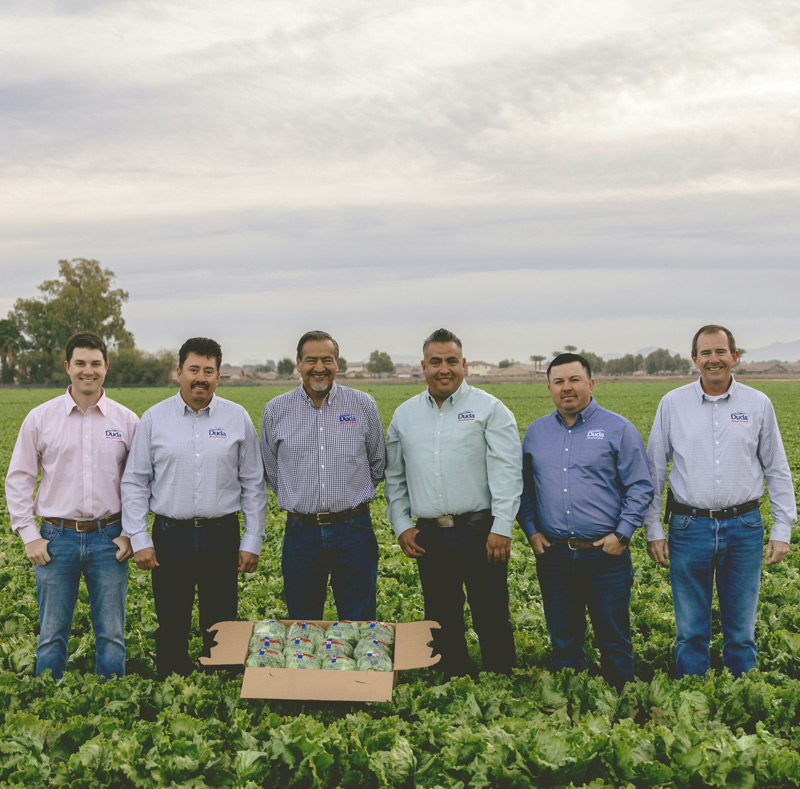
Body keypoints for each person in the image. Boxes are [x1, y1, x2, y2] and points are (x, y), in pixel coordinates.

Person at [645, 325, 797, 678]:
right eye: (706, 353)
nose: (714, 360)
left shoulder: (758, 404)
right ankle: (693, 705)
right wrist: (653, 526)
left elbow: (776, 467)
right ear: (694, 359)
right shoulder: (673, 404)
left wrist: (782, 526)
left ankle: (742, 705)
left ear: (734, 356)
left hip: (744, 526)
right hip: (688, 526)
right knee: (690, 632)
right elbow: (655, 469)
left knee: (741, 634)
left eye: (720, 352)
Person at [121, 337, 267, 678]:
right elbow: (134, 481)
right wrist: (139, 536)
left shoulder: (237, 418)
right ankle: (172, 682)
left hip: (222, 534)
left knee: (221, 620)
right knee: (171, 618)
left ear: (218, 376)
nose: (200, 377)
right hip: (171, 534)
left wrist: (252, 540)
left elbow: (253, 485)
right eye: (193, 369)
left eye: (208, 370)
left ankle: (219, 683)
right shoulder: (155, 419)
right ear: (179, 372)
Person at [384, 328, 521, 677]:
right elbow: (395, 478)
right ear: (423, 367)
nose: (443, 369)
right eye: (435, 362)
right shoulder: (404, 415)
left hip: (481, 532)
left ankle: (499, 682)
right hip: (430, 536)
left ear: (464, 364)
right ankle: (454, 682)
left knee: (491, 614)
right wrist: (402, 525)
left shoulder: (490, 409)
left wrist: (502, 527)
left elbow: (507, 473)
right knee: (441, 619)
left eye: (451, 361)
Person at [5, 331, 139, 679]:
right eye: (80, 363)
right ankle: (50, 702)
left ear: (106, 367)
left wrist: (129, 533)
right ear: (68, 367)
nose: (88, 370)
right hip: (55, 538)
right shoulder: (40, 418)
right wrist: (29, 534)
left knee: (112, 634)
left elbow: (140, 484)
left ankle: (115, 700)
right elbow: (19, 477)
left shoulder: (126, 421)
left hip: (109, 538)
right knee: (51, 634)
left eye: (95, 363)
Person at [517, 353, 653, 690]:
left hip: (604, 554)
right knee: (564, 642)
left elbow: (640, 485)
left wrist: (622, 534)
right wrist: (531, 530)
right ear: (549, 388)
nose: (567, 388)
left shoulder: (618, 428)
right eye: (559, 382)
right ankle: (570, 710)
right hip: (555, 556)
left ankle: (623, 707)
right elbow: (523, 489)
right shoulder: (536, 433)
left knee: (615, 641)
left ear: (590, 384)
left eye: (574, 380)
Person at [260, 330, 385, 620]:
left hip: (354, 529)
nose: (319, 368)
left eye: (326, 360)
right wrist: (302, 497)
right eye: (311, 360)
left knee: (360, 620)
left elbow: (377, 463)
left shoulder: (363, 405)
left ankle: (361, 667)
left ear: (337, 364)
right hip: (301, 533)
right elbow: (272, 471)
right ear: (298, 364)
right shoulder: (275, 410)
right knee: (303, 622)